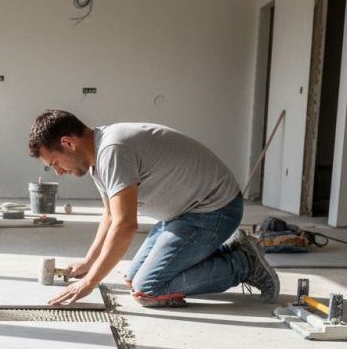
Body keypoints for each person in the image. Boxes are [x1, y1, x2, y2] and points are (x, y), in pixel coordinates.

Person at [27, 109, 280, 307]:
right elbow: (110, 216)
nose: (58, 172)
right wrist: (88, 263)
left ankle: (243, 262)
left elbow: (126, 225)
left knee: (148, 289)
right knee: (131, 279)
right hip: (182, 213)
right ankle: (228, 251)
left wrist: (89, 283)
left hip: (214, 209)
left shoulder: (112, 151)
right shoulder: (97, 158)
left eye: (55, 163)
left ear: (68, 143)